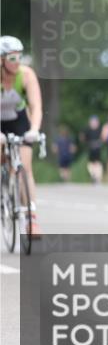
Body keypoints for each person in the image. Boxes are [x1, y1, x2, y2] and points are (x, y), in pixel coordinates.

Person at [0, 36, 44, 233]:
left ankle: (31, 219)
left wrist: (34, 130)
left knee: (25, 168)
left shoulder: (26, 75)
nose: (17, 61)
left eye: (19, 56)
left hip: (18, 121)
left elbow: (36, 106)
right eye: (12, 58)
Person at [82, 115, 104, 183]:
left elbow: (83, 138)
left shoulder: (87, 129)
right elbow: (103, 137)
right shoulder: (99, 129)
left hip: (91, 146)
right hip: (96, 147)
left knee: (92, 162)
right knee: (96, 162)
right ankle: (97, 176)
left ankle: (94, 175)